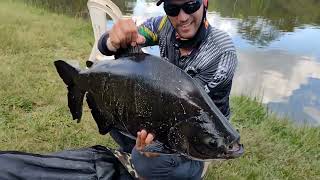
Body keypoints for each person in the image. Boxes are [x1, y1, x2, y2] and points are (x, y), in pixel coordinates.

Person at [98, 0, 238, 179]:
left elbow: (189, 111)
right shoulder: (163, 25)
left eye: (191, 5)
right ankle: (134, 151)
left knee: (144, 162)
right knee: (112, 107)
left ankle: (198, 166)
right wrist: (113, 39)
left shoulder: (221, 52)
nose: (182, 17)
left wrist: (157, 146)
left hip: (204, 131)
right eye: (172, 8)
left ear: (205, 2)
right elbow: (111, 47)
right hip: (170, 106)